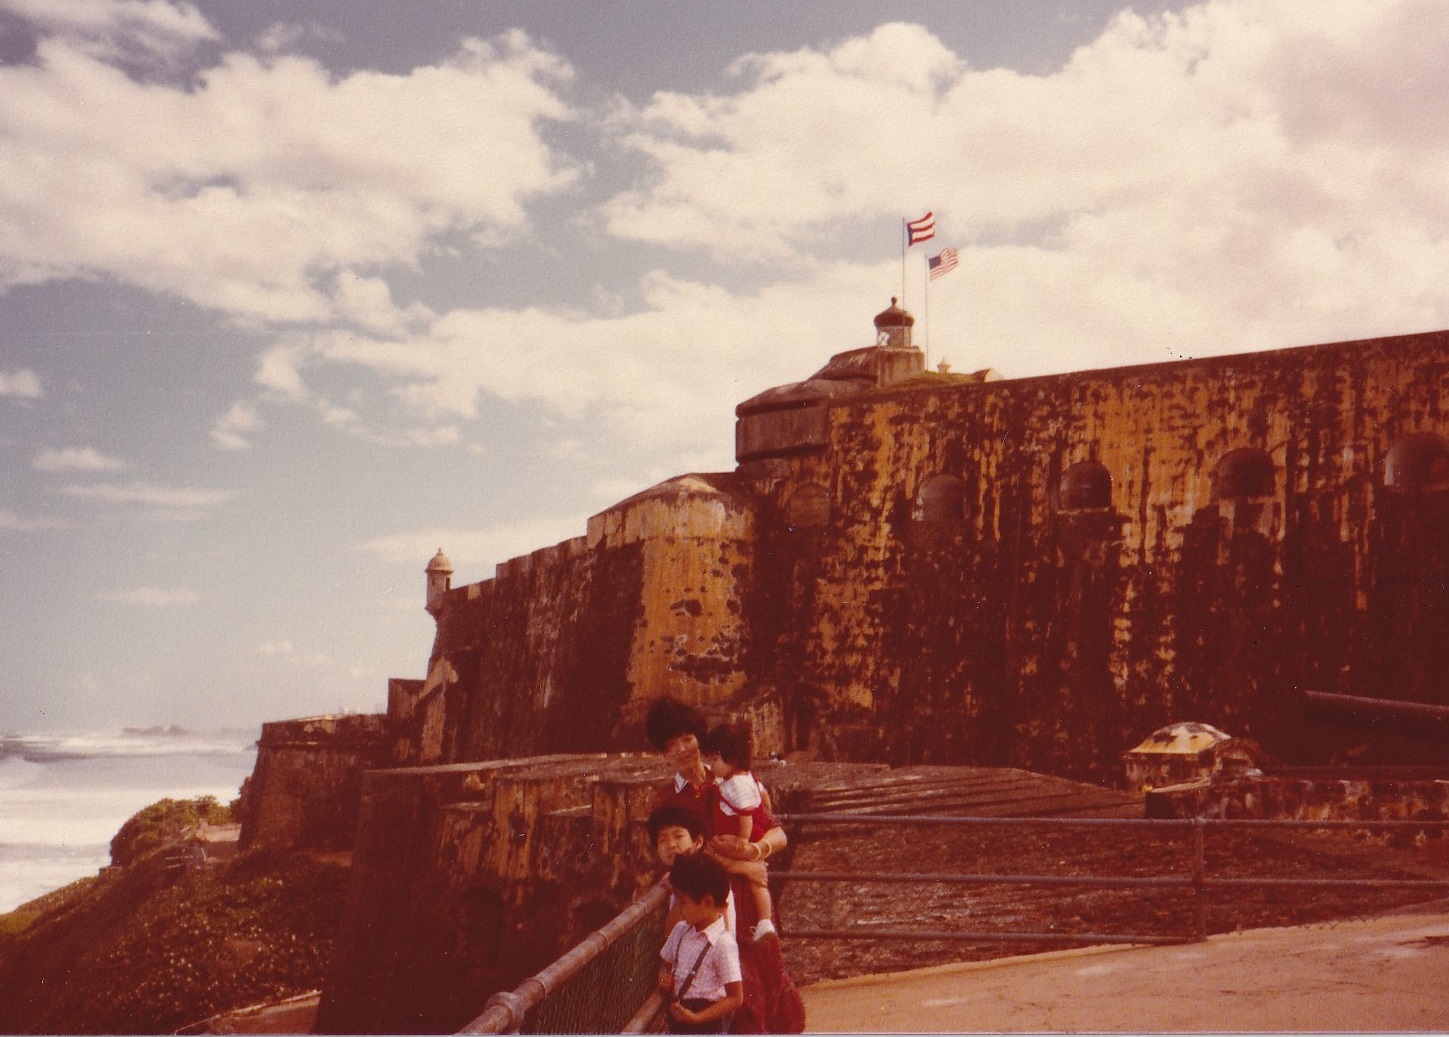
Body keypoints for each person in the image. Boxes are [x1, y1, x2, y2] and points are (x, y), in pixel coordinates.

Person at [702, 724, 775, 940]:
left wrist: (743, 839)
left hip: (744, 835)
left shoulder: (737, 785)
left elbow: (745, 814)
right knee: (757, 881)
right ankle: (764, 922)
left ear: (732, 759)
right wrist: (767, 813)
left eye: (715, 760)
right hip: (750, 835)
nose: (711, 765)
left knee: (756, 880)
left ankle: (764, 921)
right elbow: (764, 796)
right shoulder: (745, 777)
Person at [658, 853, 743, 1034]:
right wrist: (664, 977)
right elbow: (666, 964)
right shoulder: (680, 930)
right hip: (678, 1017)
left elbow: (735, 997)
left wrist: (698, 1018)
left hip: (708, 1023)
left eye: (683, 902)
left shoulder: (722, 944)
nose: (679, 908)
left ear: (707, 902)